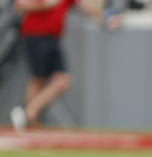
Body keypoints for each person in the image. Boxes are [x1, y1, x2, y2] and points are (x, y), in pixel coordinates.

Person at [9, 0, 117, 131]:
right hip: (36, 35)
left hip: (53, 39)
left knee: (60, 81)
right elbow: (19, 6)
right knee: (39, 80)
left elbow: (84, 6)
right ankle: (30, 121)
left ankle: (27, 115)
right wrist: (45, 5)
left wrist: (106, 18)